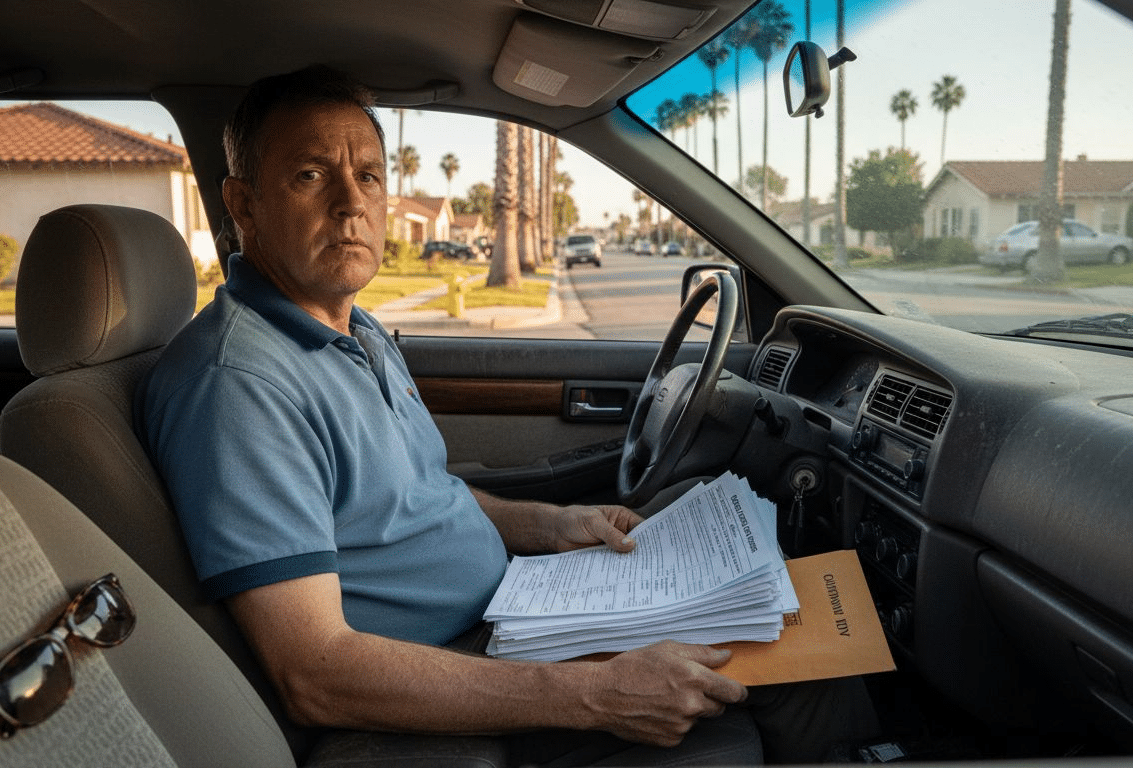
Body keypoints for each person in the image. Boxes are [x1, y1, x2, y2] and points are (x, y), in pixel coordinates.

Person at [138, 65, 875, 765]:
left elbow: (420, 499)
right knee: (806, 663)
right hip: (454, 671)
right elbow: (317, 672)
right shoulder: (238, 384)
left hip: (512, 613)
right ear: (242, 205)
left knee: (759, 582)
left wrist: (550, 526)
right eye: (310, 175)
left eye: (367, 175)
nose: (350, 202)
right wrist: (595, 695)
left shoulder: (352, 330)